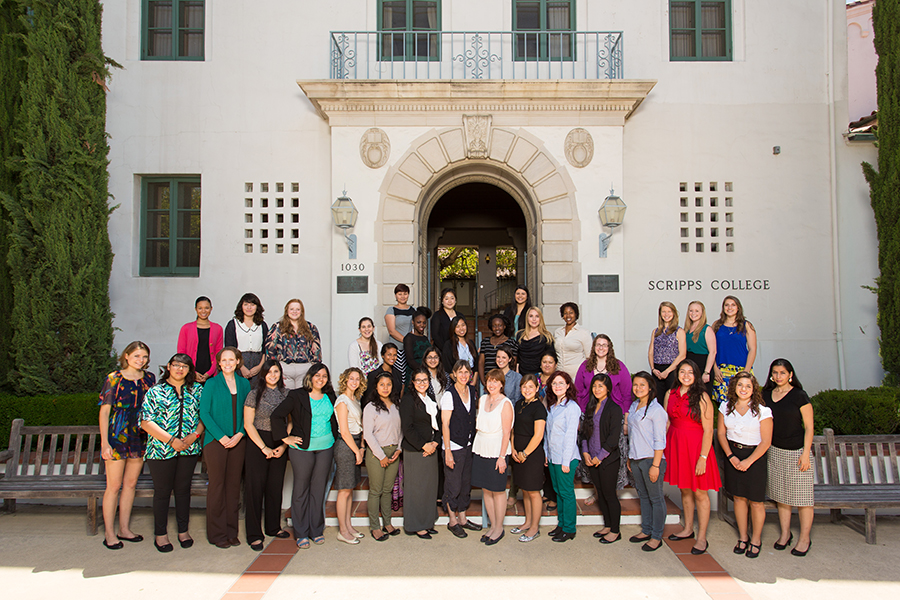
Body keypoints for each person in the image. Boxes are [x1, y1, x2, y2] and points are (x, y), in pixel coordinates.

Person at [140, 354, 205, 553]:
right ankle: (161, 534)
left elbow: (205, 416)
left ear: (189, 370)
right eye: (176, 365)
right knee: (162, 492)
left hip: (188, 449)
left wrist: (194, 436)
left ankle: (183, 531)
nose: (179, 369)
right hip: (160, 451)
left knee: (183, 490)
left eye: (184, 366)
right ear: (168, 367)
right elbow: (146, 422)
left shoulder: (197, 390)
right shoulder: (155, 391)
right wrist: (171, 441)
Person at [270, 363, 337, 549]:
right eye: (317, 375)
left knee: (318, 490)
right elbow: (276, 416)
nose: (320, 379)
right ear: (310, 376)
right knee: (301, 490)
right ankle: (301, 532)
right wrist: (285, 437)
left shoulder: (330, 396)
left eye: (324, 376)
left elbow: (334, 419)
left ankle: (316, 530)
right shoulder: (297, 395)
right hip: (302, 449)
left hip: (326, 447)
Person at [98, 341, 155, 549]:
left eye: (144, 357)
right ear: (127, 356)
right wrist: (105, 442)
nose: (141, 360)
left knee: (131, 484)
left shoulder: (149, 378)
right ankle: (109, 533)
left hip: (139, 434)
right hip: (117, 434)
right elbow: (105, 411)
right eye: (137, 356)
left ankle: (124, 529)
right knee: (113, 486)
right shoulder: (114, 378)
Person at [664, 359, 722, 555]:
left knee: (700, 493)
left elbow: (708, 430)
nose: (686, 375)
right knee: (685, 490)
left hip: (696, 448)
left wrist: (703, 457)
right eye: (682, 371)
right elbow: (667, 422)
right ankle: (688, 529)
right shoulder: (669, 394)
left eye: (690, 372)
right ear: (677, 374)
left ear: (696, 375)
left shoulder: (703, 397)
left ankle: (702, 537)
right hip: (676, 445)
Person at [718, 371, 772, 559]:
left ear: (753, 389)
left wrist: (748, 461)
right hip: (733, 455)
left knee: (756, 502)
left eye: (748, 386)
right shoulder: (725, 407)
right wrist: (731, 456)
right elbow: (721, 434)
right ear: (734, 387)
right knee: (739, 498)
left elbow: (765, 441)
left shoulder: (763, 411)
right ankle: (743, 537)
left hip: (754, 457)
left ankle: (756, 539)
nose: (744, 389)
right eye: (740, 385)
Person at [763, 358, 814, 556]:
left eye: (782, 373)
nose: (778, 376)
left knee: (802, 499)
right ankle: (785, 534)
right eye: (775, 373)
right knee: (781, 497)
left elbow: (809, 427)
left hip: (797, 452)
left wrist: (805, 454)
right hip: (775, 451)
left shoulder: (799, 396)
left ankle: (804, 538)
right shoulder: (766, 395)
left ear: (790, 374)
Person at [200, 347, 249, 548]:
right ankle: (217, 533)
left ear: (238, 362)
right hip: (215, 441)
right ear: (219, 363)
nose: (228, 363)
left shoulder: (245, 384)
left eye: (232, 359)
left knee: (233, 487)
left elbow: (248, 412)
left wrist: (239, 434)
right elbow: (204, 413)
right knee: (217, 486)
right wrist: (221, 437)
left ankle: (231, 531)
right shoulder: (211, 383)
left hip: (238, 440)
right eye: (224, 360)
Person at [574, 333, 633, 494]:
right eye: (598, 344)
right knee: (591, 452)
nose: (601, 347)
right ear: (593, 347)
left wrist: (626, 418)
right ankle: (596, 491)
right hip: (589, 415)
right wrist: (579, 415)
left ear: (609, 348)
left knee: (609, 452)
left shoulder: (618, 366)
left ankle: (610, 492)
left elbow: (627, 394)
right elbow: (578, 392)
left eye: (604, 345)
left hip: (613, 416)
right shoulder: (585, 366)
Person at [242, 360, 291, 551]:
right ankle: (254, 534)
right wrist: (264, 448)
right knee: (255, 489)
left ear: (280, 374)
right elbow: (248, 424)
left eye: (276, 371)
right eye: (269, 372)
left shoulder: (287, 394)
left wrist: (284, 445)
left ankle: (273, 527)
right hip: (257, 443)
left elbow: (291, 422)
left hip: (279, 442)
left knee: (274, 486)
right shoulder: (254, 394)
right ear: (263, 374)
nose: (273, 375)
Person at [471, 369, 514, 545]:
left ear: (501, 384)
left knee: (497, 489)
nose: (492, 384)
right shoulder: (482, 400)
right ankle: (492, 525)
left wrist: (502, 456)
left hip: (497, 450)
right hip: (481, 447)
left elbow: (506, 433)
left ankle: (499, 528)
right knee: (486, 489)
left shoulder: (506, 403)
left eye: (495, 381)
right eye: (489, 381)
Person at [626, 372, 668, 552]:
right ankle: (646, 529)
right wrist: (629, 457)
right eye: (635, 385)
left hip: (651, 459)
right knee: (643, 496)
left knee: (656, 498)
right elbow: (633, 435)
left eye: (642, 385)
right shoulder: (635, 405)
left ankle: (656, 536)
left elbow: (660, 440)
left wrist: (656, 465)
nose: (638, 388)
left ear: (650, 387)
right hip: (636, 458)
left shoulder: (656, 411)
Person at [440, 360, 482, 537]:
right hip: (454, 447)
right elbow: (445, 423)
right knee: (453, 485)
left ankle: (463, 518)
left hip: (468, 444)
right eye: (460, 372)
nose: (464, 375)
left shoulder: (472, 391)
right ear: (454, 374)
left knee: (465, 484)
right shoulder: (449, 395)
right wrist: (448, 450)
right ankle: (452, 521)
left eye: (467, 372)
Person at [581, 373, 624, 545]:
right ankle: (607, 525)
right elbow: (584, 432)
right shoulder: (591, 407)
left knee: (609, 494)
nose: (597, 389)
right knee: (600, 493)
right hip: (591, 459)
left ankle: (615, 530)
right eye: (594, 386)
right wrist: (585, 453)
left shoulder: (614, 408)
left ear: (608, 388)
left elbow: (614, 438)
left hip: (607, 460)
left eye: (601, 386)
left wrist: (599, 457)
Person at [400, 368, 441, 539]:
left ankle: (427, 521)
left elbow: (437, 424)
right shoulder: (408, 400)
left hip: (431, 448)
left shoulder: (430, 399)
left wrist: (435, 442)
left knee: (429, 488)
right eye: (419, 380)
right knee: (416, 489)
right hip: (416, 451)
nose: (422, 383)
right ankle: (416, 525)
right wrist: (424, 445)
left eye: (425, 380)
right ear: (413, 382)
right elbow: (407, 428)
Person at [362, 371, 403, 541]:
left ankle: (387, 523)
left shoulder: (396, 405)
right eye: (382, 385)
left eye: (388, 384)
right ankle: (375, 527)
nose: (385, 388)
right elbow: (368, 435)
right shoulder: (371, 407)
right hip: (376, 453)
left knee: (387, 490)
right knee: (376, 491)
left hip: (394, 452)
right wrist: (381, 456)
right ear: (376, 387)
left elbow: (400, 430)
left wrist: (399, 449)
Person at [544, 371, 582, 542]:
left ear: (568, 385)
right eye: (554, 383)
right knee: (558, 492)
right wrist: (546, 454)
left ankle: (569, 528)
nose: (557, 386)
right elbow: (548, 433)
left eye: (561, 383)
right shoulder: (552, 406)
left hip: (566, 459)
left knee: (566, 494)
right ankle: (561, 525)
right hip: (553, 457)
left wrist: (566, 461)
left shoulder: (572, 407)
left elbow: (570, 436)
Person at [510, 375, 547, 542]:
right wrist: (513, 448)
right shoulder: (518, 404)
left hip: (531, 455)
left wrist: (525, 453)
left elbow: (538, 435)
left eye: (530, 387)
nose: (527, 390)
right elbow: (513, 430)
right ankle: (527, 522)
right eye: (524, 386)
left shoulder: (539, 408)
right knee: (524, 489)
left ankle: (534, 527)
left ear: (537, 388)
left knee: (533, 491)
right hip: (517, 453)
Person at [333, 367, 367, 544]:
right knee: (344, 490)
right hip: (345, 446)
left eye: (357, 379)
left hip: (355, 444)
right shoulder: (342, 400)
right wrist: (356, 451)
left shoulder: (356, 400)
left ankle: (348, 526)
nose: (354, 381)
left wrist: (361, 448)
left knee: (350, 489)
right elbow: (345, 432)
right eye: (351, 378)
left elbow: (359, 427)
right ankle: (342, 531)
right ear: (345, 380)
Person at [265, 298, 322, 389]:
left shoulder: (311, 327)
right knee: (286, 399)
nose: (294, 311)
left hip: (304, 369)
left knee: (302, 399)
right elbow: (270, 350)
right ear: (287, 311)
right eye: (291, 309)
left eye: (298, 309)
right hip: (284, 369)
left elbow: (316, 352)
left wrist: (315, 371)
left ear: (302, 311)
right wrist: (274, 371)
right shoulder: (277, 327)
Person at [712, 296, 757, 404]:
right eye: (726, 305)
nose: (729, 307)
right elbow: (710, 349)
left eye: (733, 305)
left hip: (741, 370)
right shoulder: (717, 325)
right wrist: (715, 369)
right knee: (723, 407)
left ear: (738, 308)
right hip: (721, 372)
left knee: (742, 404)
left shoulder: (746, 325)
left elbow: (752, 349)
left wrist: (746, 371)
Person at [177, 296, 223, 384]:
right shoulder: (186, 328)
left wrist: (209, 373)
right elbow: (181, 353)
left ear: (211, 308)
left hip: (211, 374)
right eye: (200, 308)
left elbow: (218, 353)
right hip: (190, 372)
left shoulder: (218, 328)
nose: (203, 311)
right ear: (195, 309)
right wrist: (193, 372)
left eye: (206, 308)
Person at [224, 293, 269, 382]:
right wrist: (241, 367)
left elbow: (266, 347)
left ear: (257, 307)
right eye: (246, 305)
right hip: (238, 362)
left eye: (252, 305)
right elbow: (230, 348)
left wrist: (260, 366)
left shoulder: (262, 325)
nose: (249, 308)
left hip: (258, 362)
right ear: (241, 306)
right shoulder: (233, 324)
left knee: (257, 392)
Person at [648, 301, 686, 404]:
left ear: (674, 313)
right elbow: (651, 352)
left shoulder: (679, 331)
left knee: (672, 401)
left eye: (669, 311)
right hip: (657, 371)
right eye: (663, 312)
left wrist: (667, 371)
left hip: (672, 370)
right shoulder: (655, 331)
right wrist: (653, 369)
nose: (666, 314)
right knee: (657, 401)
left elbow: (682, 354)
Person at [385, 283, 417, 384]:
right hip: (397, 349)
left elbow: (416, 328)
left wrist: (411, 344)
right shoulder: (391, 310)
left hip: (411, 349)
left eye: (405, 293)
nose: (403, 296)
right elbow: (392, 331)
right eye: (400, 294)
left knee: (410, 375)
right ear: (395, 295)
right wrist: (407, 342)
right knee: (398, 376)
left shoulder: (413, 310)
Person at [684, 301, 716, 397]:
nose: (693, 313)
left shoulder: (707, 329)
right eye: (691, 310)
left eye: (697, 311)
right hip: (690, 366)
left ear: (702, 313)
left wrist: (707, 372)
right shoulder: (686, 330)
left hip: (703, 366)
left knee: (703, 398)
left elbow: (713, 352)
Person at [554, 302, 593, 379]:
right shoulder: (557, 332)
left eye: (571, 313)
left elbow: (590, 356)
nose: (568, 316)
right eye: (565, 313)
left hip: (577, 374)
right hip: (560, 373)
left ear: (576, 314)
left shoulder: (583, 333)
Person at [516, 307, 556, 376]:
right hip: (522, 375)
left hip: (539, 376)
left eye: (537, 316)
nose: (534, 319)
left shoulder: (546, 337)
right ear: (527, 318)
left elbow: (551, 358)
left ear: (540, 318)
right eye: (531, 316)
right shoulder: (520, 335)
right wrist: (517, 374)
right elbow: (518, 359)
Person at [479, 314, 517, 385]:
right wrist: (483, 381)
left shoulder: (511, 343)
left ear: (504, 326)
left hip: (504, 382)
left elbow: (513, 364)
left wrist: (506, 382)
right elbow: (481, 363)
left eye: (500, 325)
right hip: (488, 381)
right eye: (494, 326)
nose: (497, 328)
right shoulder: (485, 342)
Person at [442, 315, 479, 385]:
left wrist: (473, 383)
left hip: (471, 380)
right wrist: (460, 383)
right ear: (453, 329)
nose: (461, 328)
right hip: (457, 381)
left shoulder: (471, 343)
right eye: (457, 326)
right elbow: (448, 367)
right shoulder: (449, 344)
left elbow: (476, 364)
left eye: (463, 325)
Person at [404, 306, 433, 379]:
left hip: (427, 371)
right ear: (413, 322)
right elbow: (410, 360)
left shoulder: (425, 338)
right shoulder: (409, 338)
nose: (422, 325)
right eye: (418, 322)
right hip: (414, 373)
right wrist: (423, 371)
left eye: (424, 323)